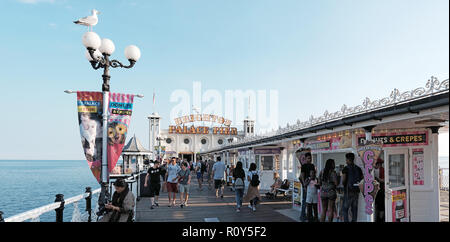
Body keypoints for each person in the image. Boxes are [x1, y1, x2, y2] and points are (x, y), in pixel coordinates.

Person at [342, 153, 363, 222]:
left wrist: (343, 185)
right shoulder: (358, 169)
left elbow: (343, 180)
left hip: (348, 191)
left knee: (345, 209)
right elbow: (362, 180)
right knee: (354, 209)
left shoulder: (345, 168)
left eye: (346, 159)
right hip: (356, 191)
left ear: (348, 159)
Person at [297, 151, 315, 221]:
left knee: (310, 201)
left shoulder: (312, 165)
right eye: (308, 158)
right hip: (306, 185)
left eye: (310, 158)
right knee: (305, 200)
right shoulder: (304, 166)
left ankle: (309, 215)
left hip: (311, 185)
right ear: (305, 159)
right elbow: (301, 176)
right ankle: (303, 215)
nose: (309, 160)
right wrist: (304, 185)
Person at [374, 158, 385, 222]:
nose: (380, 165)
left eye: (380, 164)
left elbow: (384, 180)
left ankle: (380, 219)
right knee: (374, 205)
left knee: (381, 205)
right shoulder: (371, 169)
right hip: (373, 190)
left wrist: (377, 179)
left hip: (381, 190)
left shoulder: (382, 170)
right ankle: (375, 218)